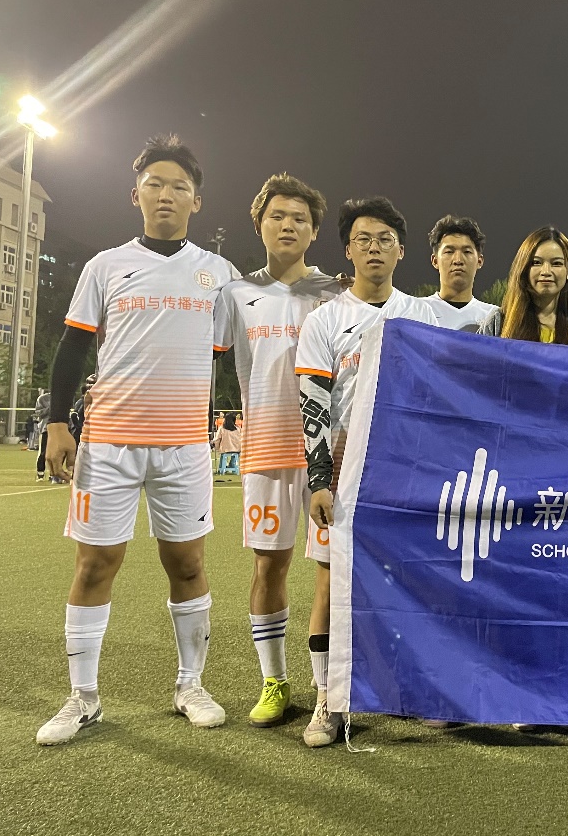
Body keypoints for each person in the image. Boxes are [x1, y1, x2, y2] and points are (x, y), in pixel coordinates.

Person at [36, 135, 239, 746]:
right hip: (108, 445)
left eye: (179, 186)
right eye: (155, 184)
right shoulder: (105, 266)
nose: (166, 194)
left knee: (188, 563)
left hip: (184, 445)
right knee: (95, 564)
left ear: (196, 201)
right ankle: (83, 698)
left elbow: (224, 353)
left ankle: (189, 685)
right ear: (136, 195)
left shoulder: (218, 274)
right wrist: (57, 423)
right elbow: (74, 346)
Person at [296, 196, 439, 746]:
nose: (373, 248)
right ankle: (327, 699)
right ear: (348, 251)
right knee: (330, 583)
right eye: (363, 239)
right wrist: (319, 480)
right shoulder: (325, 319)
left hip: (407, 470)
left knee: (410, 581)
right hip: (345, 471)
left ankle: (410, 690)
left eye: (384, 239)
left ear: (401, 251)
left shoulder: (421, 313)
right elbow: (313, 400)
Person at [213, 171, 341, 730]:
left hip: (327, 453)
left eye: (299, 219)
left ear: (314, 232)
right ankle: (274, 681)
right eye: (277, 216)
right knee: (269, 565)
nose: (288, 225)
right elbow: (205, 358)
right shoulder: (235, 294)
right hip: (266, 445)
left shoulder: (336, 293)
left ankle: (327, 686)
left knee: (330, 569)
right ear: (260, 224)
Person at [479, 227, 568, 346]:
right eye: (536, 262)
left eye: (556, 263)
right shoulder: (498, 322)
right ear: (524, 269)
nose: (546, 271)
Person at [423, 215, 495, 331]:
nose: (458, 260)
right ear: (435, 261)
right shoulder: (417, 311)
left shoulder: (494, 317)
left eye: (467, 252)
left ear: (479, 261)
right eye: (449, 252)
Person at [34, 390, 53, 481]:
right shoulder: (42, 398)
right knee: (43, 451)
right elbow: (38, 413)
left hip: (58, 428)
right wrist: (49, 409)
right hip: (45, 428)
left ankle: (53, 474)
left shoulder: (61, 398)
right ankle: (40, 472)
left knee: (57, 452)